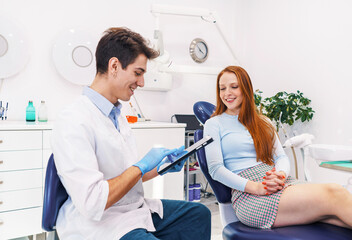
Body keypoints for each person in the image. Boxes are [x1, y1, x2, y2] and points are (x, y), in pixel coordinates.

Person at [52, 27, 211, 240]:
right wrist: (140, 166)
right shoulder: (74, 120)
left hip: (131, 212)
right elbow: (92, 202)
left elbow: (125, 176)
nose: (142, 82)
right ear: (114, 66)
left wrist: (161, 167)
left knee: (198, 214)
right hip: (99, 223)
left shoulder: (116, 115)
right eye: (138, 73)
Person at [204, 65, 352, 229]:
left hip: (276, 181)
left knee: (337, 216)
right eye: (222, 88)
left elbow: (280, 157)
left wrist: (280, 175)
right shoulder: (213, 124)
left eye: (234, 87)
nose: (227, 93)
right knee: (335, 192)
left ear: (246, 88)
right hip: (250, 195)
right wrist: (256, 187)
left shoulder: (263, 122)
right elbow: (215, 169)